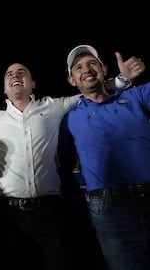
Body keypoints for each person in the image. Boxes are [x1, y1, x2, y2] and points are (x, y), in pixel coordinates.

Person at [0, 57, 144, 269]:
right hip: (8, 214)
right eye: (9, 74)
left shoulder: (54, 106)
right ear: (4, 89)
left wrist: (122, 80)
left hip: (50, 212)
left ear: (32, 83)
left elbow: (88, 91)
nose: (15, 75)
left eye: (21, 72)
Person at [60, 44, 150, 269]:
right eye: (78, 67)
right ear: (72, 80)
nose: (86, 69)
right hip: (110, 209)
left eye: (92, 63)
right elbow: (64, 160)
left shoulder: (135, 96)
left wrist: (127, 78)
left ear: (104, 69)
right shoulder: (69, 118)